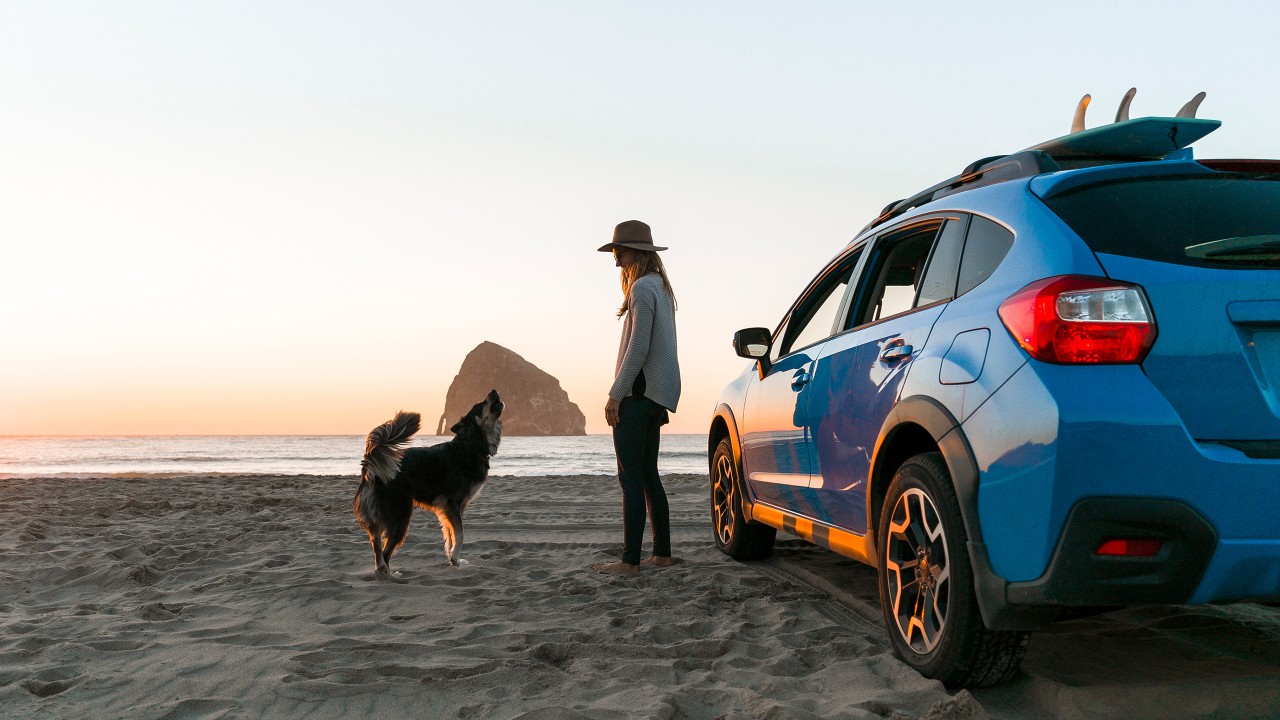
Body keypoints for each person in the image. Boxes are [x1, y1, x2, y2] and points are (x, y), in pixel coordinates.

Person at [593, 220, 682, 574]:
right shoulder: (661, 287)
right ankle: (661, 553)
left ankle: (629, 561)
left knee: (630, 478)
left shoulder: (642, 289)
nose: (616, 260)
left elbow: (638, 348)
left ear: (639, 252)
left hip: (638, 393)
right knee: (648, 476)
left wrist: (616, 394)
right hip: (656, 395)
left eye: (621, 252)